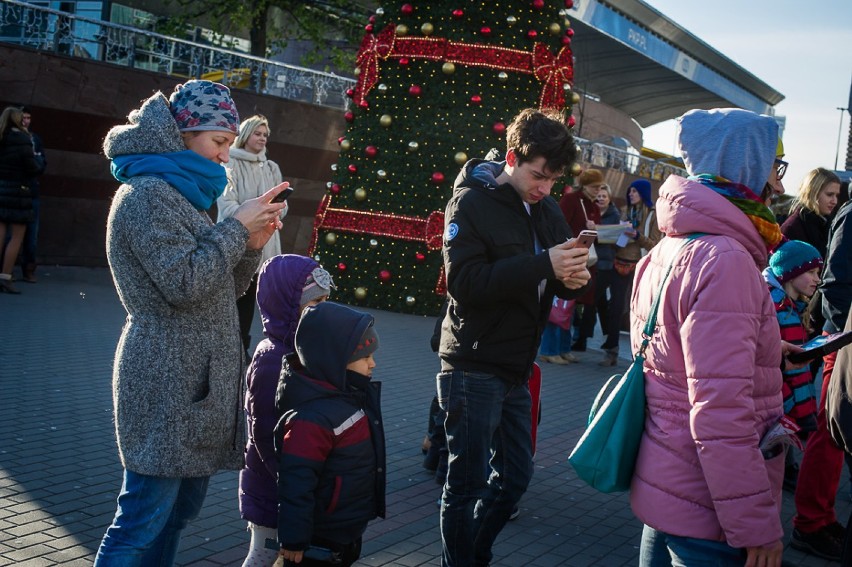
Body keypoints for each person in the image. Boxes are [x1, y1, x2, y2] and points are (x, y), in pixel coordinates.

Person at [94, 80, 289, 566]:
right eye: (219, 142)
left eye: (228, 143)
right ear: (183, 133)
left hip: (195, 383)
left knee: (175, 517)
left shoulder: (182, 193)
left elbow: (222, 288)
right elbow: (182, 285)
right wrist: (233, 228)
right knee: (141, 521)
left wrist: (251, 244)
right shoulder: (146, 196)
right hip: (164, 379)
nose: (225, 155)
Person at [630, 108, 787, 567]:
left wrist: (766, 351)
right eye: (774, 167)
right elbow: (720, 410)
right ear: (745, 166)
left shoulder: (671, 244)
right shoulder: (727, 258)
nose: (777, 185)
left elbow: (672, 361)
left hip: (666, 483)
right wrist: (755, 523)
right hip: (710, 504)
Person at [437, 107, 590, 567]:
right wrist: (546, 265)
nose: (546, 188)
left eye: (554, 180)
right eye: (539, 176)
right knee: (464, 486)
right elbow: (465, 284)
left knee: (515, 479)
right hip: (472, 363)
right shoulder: (471, 202)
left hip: (518, 366)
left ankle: (473, 554)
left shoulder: (543, 210)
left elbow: (557, 271)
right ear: (512, 157)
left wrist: (576, 274)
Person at [239, 255, 334, 567]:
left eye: (325, 300)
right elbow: (263, 431)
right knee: (263, 556)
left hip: (292, 485)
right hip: (273, 486)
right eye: (315, 301)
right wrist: (290, 482)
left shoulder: (302, 348)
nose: (322, 309)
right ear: (289, 303)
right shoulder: (272, 357)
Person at [274, 301, 385, 567]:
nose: (373, 364)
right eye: (365, 358)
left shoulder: (350, 396)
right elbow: (296, 482)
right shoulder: (311, 419)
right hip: (320, 535)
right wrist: (294, 540)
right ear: (336, 361)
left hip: (347, 528)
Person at [792, 191, 852, 561]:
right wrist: (844, 337)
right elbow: (836, 282)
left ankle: (820, 518)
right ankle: (811, 522)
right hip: (845, 346)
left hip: (845, 341)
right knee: (830, 433)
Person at [218, 115, 287, 355]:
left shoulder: (271, 167)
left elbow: (283, 207)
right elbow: (226, 206)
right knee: (238, 299)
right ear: (246, 135)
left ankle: (256, 351)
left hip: (266, 246)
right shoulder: (230, 164)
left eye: (265, 135)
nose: (262, 138)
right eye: (258, 133)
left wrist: (273, 210)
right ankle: (232, 350)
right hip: (238, 241)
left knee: (264, 301)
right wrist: (254, 216)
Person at [763, 240, 823, 491]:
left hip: (786, 411)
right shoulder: (773, 307)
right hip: (776, 411)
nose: (817, 280)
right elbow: (767, 365)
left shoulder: (792, 306)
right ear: (790, 272)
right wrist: (788, 406)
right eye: (810, 272)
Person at [602, 179, 662, 366]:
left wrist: (636, 236)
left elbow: (655, 244)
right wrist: (616, 234)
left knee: (636, 311)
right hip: (618, 262)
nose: (631, 194)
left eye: (634, 191)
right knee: (614, 307)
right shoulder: (625, 212)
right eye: (630, 191)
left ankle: (640, 356)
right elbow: (617, 239)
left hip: (640, 266)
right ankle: (611, 349)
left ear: (643, 194)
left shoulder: (652, 216)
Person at [0, 106, 44, 294]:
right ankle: (5, 277)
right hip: (19, 191)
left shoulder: (2, 137)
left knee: (1, 233)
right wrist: (38, 160)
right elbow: (33, 168)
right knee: (17, 237)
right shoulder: (23, 139)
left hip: (1, 188)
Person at [559, 168, 603, 353]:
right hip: (570, 258)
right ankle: (555, 350)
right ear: (584, 185)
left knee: (576, 306)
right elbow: (559, 225)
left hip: (587, 261)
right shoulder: (571, 200)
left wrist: (596, 229)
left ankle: (564, 349)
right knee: (563, 305)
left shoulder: (594, 206)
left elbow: (600, 237)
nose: (597, 191)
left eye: (599, 187)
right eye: (594, 187)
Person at [591, 184, 622, 366]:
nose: (601, 198)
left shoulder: (616, 214)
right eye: (598, 195)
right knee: (596, 303)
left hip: (620, 264)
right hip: (600, 263)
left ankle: (612, 350)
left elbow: (614, 238)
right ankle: (607, 344)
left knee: (615, 308)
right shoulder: (594, 212)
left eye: (604, 195)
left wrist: (596, 230)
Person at [781, 167, 841, 258]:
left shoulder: (828, 224)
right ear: (813, 193)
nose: (835, 201)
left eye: (836, 195)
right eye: (829, 194)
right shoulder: (793, 228)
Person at [18, 106, 45, 284]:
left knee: (31, 236)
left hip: (31, 191)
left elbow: (41, 163)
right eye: (22, 118)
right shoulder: (11, 139)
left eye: (28, 118)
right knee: (10, 235)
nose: (25, 121)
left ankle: (28, 269)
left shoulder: (34, 139)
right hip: (14, 190)